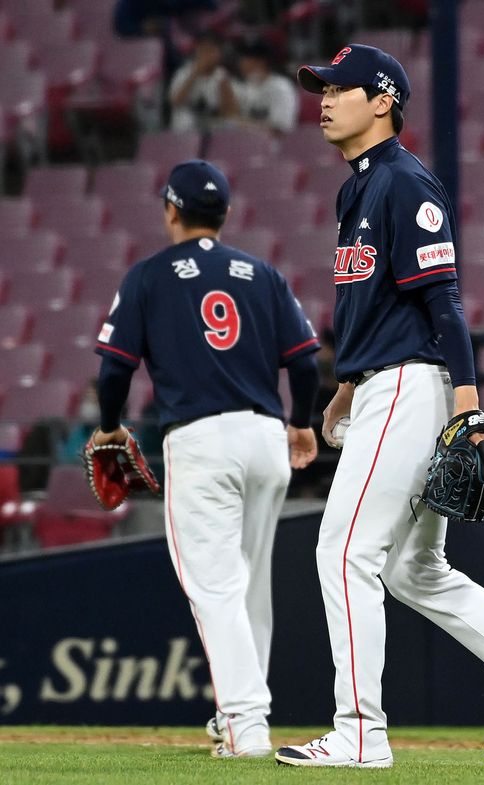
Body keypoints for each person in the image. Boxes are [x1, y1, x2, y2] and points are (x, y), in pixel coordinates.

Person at [275, 44, 484, 768]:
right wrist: (348, 387)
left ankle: (360, 731)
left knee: (344, 550)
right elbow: (377, 306)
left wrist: (467, 407)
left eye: (339, 89)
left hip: (413, 388)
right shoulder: (355, 189)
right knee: (415, 570)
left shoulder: (404, 182)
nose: (323, 100)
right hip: (381, 385)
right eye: (320, 89)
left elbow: (442, 301)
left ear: (383, 99)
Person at [92, 158, 321, 758]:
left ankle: (247, 725)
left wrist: (110, 427)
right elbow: (303, 361)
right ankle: (235, 715)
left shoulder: (149, 276)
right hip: (266, 438)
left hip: (202, 442)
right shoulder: (261, 272)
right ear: (223, 214)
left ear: (171, 208)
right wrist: (300, 424)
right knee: (251, 589)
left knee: (216, 590)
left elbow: (114, 368)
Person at [168, 31, 237, 133]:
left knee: (231, 126)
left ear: (220, 53)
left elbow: (230, 113)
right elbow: (175, 102)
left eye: (212, 51)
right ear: (197, 50)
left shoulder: (223, 76)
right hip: (185, 131)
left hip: (213, 130)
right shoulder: (183, 72)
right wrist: (194, 75)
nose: (207, 55)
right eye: (204, 50)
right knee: (186, 120)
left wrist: (224, 88)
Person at [229, 40, 299, 135]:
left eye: (246, 58)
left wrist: (242, 125)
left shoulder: (281, 88)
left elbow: (280, 130)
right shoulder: (245, 86)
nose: (241, 62)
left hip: (276, 147)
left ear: (261, 62)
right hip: (245, 145)